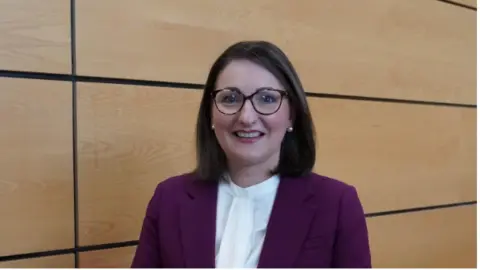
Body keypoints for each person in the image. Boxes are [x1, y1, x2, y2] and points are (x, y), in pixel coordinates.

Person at [131, 40, 371, 268]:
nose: (246, 117)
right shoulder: (169, 200)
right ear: (210, 114)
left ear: (292, 114)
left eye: (267, 99)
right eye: (230, 99)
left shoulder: (337, 204)